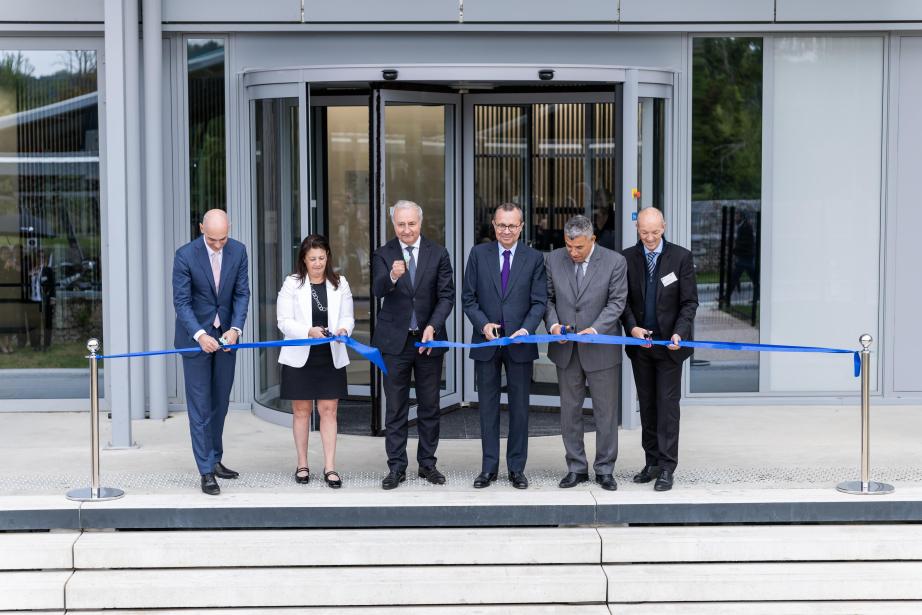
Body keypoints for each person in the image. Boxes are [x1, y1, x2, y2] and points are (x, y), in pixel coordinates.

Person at [462, 202, 547, 490]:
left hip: (520, 343)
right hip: (486, 342)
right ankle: (488, 468)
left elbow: (539, 301)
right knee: (487, 408)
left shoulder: (534, 258)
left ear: (521, 227)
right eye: (501, 225)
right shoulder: (478, 254)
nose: (506, 230)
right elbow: (468, 299)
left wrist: (526, 329)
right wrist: (483, 325)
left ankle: (516, 469)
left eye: (512, 225)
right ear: (493, 226)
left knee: (520, 408)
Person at [372, 200, 455, 490]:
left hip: (428, 341)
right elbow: (377, 289)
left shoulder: (439, 253)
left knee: (430, 406)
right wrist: (393, 275)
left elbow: (447, 296)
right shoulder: (383, 254)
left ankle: (427, 465)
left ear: (421, 223)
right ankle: (396, 467)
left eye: (411, 223)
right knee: (395, 407)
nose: (406, 230)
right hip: (394, 343)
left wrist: (432, 326)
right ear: (393, 225)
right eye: (400, 224)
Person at [545, 215, 627, 492]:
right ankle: (576, 468)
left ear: (592, 239)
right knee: (570, 412)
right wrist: (553, 324)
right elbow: (547, 299)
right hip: (566, 349)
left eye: (579, 247)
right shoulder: (553, 260)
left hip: (601, 347)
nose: (573, 252)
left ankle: (604, 469)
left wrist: (595, 329)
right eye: (568, 246)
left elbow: (617, 302)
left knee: (605, 413)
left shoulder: (615, 262)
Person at [172, 209, 250, 496]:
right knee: (200, 408)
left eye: (223, 239)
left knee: (220, 403)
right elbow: (181, 303)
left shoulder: (239, 251)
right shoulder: (185, 256)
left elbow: (242, 293)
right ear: (201, 228)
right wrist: (200, 334)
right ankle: (206, 470)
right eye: (213, 239)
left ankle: (215, 458)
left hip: (227, 338)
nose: (219, 245)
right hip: (195, 341)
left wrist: (236, 329)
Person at [621, 207, 698, 492]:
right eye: (644, 232)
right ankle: (651, 462)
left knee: (667, 408)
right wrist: (632, 328)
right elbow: (623, 302)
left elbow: (689, 302)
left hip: (670, 348)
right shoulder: (627, 258)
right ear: (637, 230)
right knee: (648, 406)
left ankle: (667, 466)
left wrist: (680, 331)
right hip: (641, 347)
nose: (650, 238)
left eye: (655, 232)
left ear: (663, 226)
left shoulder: (681, 257)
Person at [276, 234, 354, 489]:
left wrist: (343, 330)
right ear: (304, 260)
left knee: (329, 411)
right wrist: (308, 331)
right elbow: (283, 321)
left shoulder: (339, 283)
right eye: (312, 259)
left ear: (328, 257)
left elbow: (348, 317)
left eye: (322, 258)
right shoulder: (292, 284)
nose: (318, 263)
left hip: (329, 355)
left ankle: (330, 466)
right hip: (300, 355)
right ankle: (302, 464)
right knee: (301, 412)